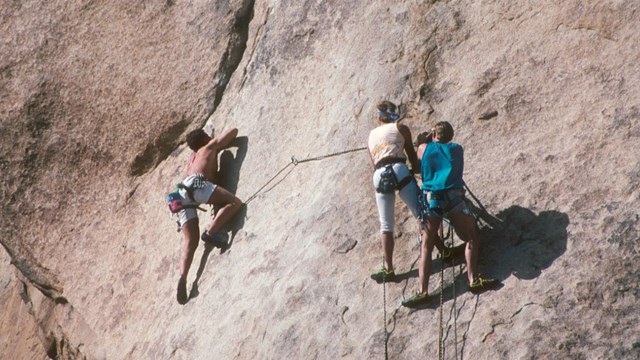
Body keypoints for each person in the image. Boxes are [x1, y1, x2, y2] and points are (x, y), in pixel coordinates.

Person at [402, 121, 498, 306]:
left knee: (426, 246)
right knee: (471, 238)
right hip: (454, 198)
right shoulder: (457, 149)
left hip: (433, 200)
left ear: (433, 135)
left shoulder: (424, 148)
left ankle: (423, 291)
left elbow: (416, 166)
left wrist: (423, 140)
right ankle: (473, 279)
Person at [367, 100, 451, 283]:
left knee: (386, 224)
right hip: (399, 169)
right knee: (421, 214)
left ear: (379, 117)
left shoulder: (371, 136)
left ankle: (389, 268)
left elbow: (374, 163)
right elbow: (413, 159)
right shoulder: (401, 128)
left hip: (380, 174)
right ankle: (444, 251)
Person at [175, 128, 243, 305]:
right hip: (196, 183)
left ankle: (183, 276)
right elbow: (233, 132)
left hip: (178, 193)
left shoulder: (192, 161)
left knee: (190, 242)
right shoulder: (208, 147)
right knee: (235, 203)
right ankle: (212, 232)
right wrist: (217, 144)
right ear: (205, 138)